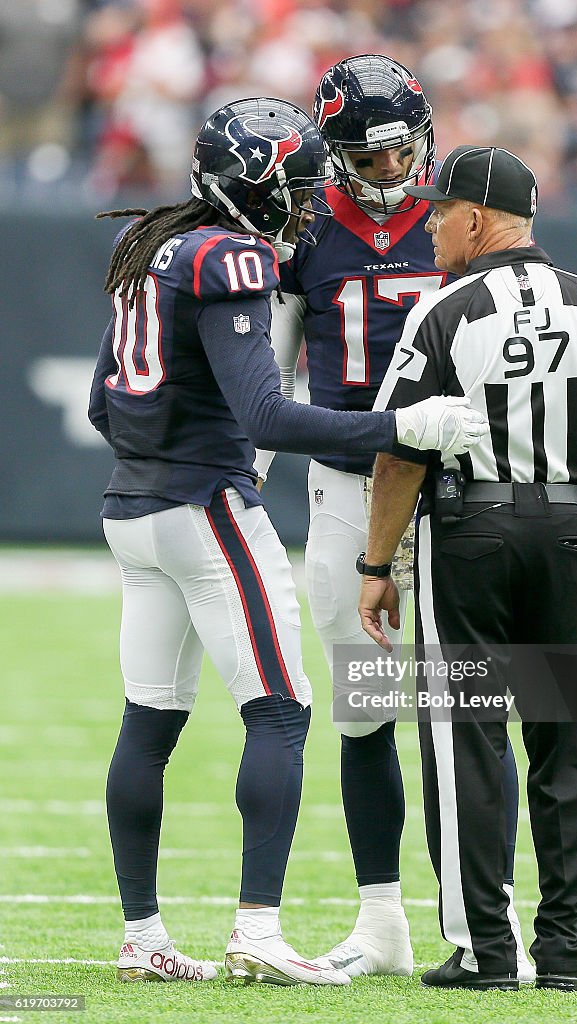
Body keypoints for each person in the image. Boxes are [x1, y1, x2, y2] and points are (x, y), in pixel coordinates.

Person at [87, 97, 488, 988]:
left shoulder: (151, 245)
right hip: (205, 509)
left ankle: (142, 935)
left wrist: (168, 453)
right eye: (296, 187)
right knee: (281, 708)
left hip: (130, 509)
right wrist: (401, 426)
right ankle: (258, 931)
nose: (306, 205)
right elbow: (266, 412)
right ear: (253, 186)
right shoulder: (230, 254)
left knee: (149, 717)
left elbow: (99, 405)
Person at [358, 145, 577, 991]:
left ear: (476, 216)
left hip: (470, 533)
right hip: (568, 530)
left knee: (466, 737)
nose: (427, 224)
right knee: (561, 742)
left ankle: (484, 951)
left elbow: (399, 458)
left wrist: (374, 561)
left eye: (438, 210)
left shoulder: (446, 311)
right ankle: (567, 952)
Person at [253, 55, 532, 981]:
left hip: (455, 488)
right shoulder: (307, 235)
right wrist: (241, 483)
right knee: (363, 709)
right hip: (344, 488)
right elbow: (269, 381)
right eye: (364, 161)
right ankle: (383, 920)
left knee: (474, 710)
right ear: (332, 157)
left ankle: (491, 922)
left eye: (396, 155)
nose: (386, 174)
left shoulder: (459, 221)